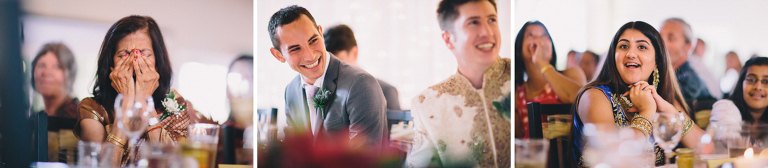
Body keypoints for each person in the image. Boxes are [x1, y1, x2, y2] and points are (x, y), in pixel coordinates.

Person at [571, 21, 708, 167]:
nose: (631, 54)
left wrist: (671, 111)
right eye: (624, 46)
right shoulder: (594, 96)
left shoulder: (662, 98)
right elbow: (614, 159)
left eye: (642, 47)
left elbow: (707, 151)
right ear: (613, 57)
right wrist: (647, 111)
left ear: (657, 61)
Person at [74, 15, 199, 166]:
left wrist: (145, 102)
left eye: (144, 54)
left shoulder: (175, 103)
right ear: (111, 66)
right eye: (124, 55)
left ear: (157, 64)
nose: (135, 62)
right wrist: (126, 103)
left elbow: (173, 164)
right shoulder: (92, 108)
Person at [268, 5, 387, 152]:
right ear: (279, 55)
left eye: (313, 41)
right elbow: (295, 152)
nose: (310, 56)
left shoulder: (361, 84)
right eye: (295, 49)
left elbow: (365, 159)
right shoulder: (290, 91)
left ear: (321, 33)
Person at [406, 0, 509, 167]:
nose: (487, 32)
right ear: (448, 39)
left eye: (492, 20)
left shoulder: (518, 78)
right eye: (474, 22)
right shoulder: (427, 103)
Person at [514, 21, 587, 139]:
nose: (538, 40)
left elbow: (582, 100)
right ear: (518, 51)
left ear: (551, 49)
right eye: (530, 35)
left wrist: (541, 63)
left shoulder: (572, 73)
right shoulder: (516, 94)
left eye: (544, 35)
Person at [323, 24, 402, 110]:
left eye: (339, 62)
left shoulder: (387, 91)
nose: (334, 68)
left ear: (354, 53)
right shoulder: (324, 92)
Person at [659, 18, 714, 101]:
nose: (662, 44)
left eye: (671, 39)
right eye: (659, 37)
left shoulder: (689, 82)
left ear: (688, 46)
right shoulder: (664, 75)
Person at [711, 57, 768, 127]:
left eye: (766, 81)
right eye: (751, 80)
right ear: (741, 83)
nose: (758, 87)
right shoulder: (725, 108)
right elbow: (726, 135)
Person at [31, 42, 79, 119]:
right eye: (41, 65)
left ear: (70, 74)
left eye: (57, 67)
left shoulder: (78, 116)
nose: (46, 72)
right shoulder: (37, 117)